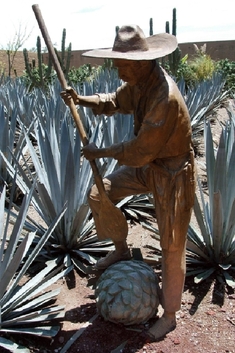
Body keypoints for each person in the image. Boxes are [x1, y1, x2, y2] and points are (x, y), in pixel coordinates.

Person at [60, 25, 196, 341]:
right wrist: (82, 99)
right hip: (150, 166)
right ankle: (121, 248)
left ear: (140, 63)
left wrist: (100, 151)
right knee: (100, 192)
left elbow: (137, 151)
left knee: (171, 246)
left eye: (122, 66)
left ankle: (170, 316)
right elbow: (113, 101)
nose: (119, 72)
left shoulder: (165, 97)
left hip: (173, 174)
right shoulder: (138, 84)